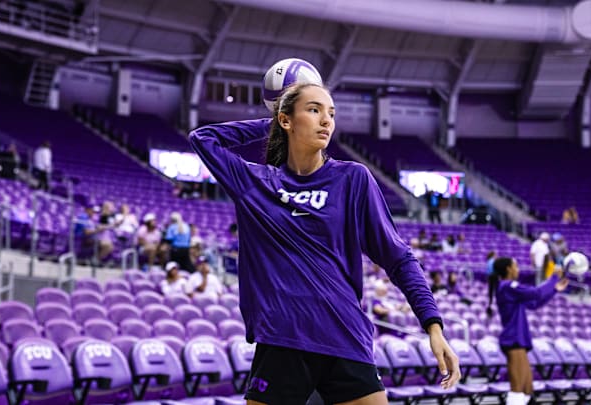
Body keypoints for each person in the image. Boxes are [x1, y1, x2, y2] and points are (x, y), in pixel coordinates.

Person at [190, 82, 460, 404]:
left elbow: (399, 257)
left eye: (331, 113)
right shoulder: (256, 183)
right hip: (282, 340)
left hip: (345, 337)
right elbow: (203, 139)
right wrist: (274, 121)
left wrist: (433, 325)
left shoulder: (353, 179)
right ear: (286, 120)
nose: (326, 120)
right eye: (314, 110)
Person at [487, 257, 568, 405]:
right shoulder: (507, 286)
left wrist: (555, 289)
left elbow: (534, 304)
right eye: (516, 266)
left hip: (519, 340)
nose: (518, 269)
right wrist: (554, 277)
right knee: (517, 389)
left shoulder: (511, 289)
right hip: (513, 339)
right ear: (508, 269)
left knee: (527, 388)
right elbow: (536, 293)